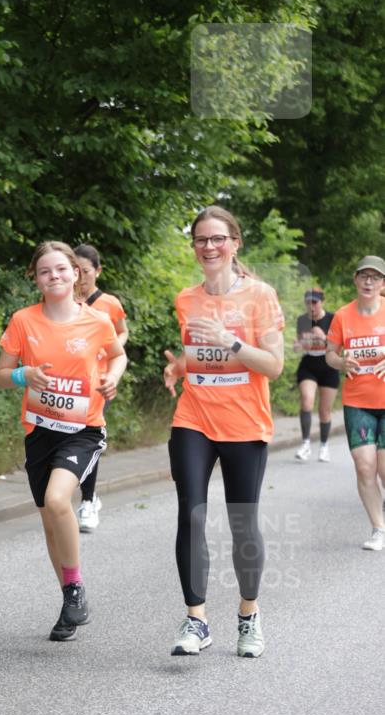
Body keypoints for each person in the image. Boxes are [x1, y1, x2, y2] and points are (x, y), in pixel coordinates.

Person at [163, 206, 284, 658]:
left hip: (245, 423)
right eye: (201, 240)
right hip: (193, 418)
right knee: (189, 514)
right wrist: (180, 365)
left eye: (217, 239)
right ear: (194, 248)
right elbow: (196, 356)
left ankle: (248, 615)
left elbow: (273, 366)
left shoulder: (260, 296)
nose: (209, 247)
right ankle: (197, 620)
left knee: (242, 523)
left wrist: (230, 340)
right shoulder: (185, 298)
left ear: (235, 243)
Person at [0, 241, 127, 641]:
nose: (54, 276)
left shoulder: (98, 321)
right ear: (35, 279)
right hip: (40, 431)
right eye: (44, 271)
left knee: (58, 501)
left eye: (61, 270)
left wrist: (113, 377)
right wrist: (24, 375)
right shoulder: (23, 321)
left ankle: (74, 588)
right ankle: (70, 602)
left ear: (76, 273)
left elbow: (117, 354)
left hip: (83, 430)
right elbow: (2, 373)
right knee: (50, 520)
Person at [325, 255, 385, 551]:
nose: (369, 281)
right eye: (364, 276)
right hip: (357, 402)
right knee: (364, 467)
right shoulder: (342, 316)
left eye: (375, 277)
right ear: (356, 280)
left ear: (383, 284)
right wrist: (340, 361)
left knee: (384, 469)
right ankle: (378, 528)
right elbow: (330, 354)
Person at [73, 244, 129, 533]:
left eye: (85, 271)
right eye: (76, 270)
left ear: (97, 271)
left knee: (87, 434)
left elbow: (122, 330)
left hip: (100, 381)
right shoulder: (62, 300)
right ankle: (84, 494)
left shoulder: (109, 303)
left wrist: (115, 355)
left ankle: (87, 501)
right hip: (68, 382)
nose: (80, 277)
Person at [292, 287, 339, 462]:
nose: (311, 306)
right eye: (308, 302)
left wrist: (324, 338)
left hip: (328, 365)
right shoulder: (302, 320)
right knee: (306, 399)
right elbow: (299, 344)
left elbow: (338, 347)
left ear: (322, 302)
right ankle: (305, 444)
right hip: (309, 364)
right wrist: (298, 345)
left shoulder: (332, 319)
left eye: (315, 302)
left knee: (324, 411)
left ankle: (324, 446)